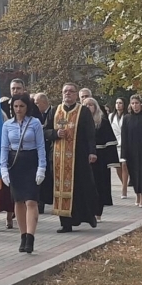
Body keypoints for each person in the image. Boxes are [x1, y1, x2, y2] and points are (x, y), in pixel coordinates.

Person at [46, 83, 99, 233]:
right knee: (61, 190)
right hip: (58, 158)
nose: (68, 94)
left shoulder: (83, 111)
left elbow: (90, 134)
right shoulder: (55, 111)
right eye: (65, 91)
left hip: (79, 157)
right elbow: (45, 130)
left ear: (76, 95)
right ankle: (66, 223)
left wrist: (92, 152)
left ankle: (88, 216)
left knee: (81, 188)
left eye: (71, 91)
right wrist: (55, 134)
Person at [0, 93, 47, 253]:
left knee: (31, 201)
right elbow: (4, 147)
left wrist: (42, 167)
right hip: (15, 164)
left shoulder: (35, 123)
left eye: (21, 106)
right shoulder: (7, 125)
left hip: (31, 162)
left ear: (27, 107)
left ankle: (30, 237)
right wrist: (3, 169)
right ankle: (22, 236)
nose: (18, 109)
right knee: (18, 201)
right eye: (15, 106)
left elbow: (41, 146)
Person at [83, 97, 115, 220]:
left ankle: (98, 212)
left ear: (95, 107)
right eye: (86, 105)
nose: (88, 107)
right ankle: (88, 211)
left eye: (91, 105)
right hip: (84, 157)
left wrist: (111, 161)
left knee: (99, 185)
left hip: (100, 158)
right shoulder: (80, 121)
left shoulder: (102, 121)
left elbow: (110, 142)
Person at [34, 92, 54, 213]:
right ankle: (40, 202)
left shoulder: (53, 112)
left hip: (50, 149)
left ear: (43, 102)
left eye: (36, 103)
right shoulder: (36, 114)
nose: (35, 105)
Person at [108, 98, 129, 198]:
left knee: (124, 165)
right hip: (115, 144)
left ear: (124, 105)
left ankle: (124, 189)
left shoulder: (127, 116)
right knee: (117, 166)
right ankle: (123, 183)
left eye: (120, 103)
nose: (118, 105)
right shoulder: (111, 116)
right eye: (116, 103)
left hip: (125, 143)